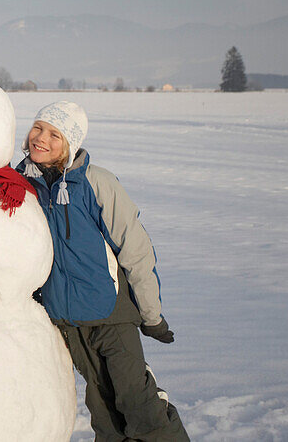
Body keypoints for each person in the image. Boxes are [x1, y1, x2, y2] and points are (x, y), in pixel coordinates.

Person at [16, 101, 189, 442]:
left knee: (136, 402)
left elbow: (135, 249)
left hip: (110, 313)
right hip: (65, 320)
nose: (41, 139)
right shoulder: (22, 186)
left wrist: (151, 315)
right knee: (103, 410)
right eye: (38, 128)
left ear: (71, 143)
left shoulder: (97, 183)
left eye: (55, 134)